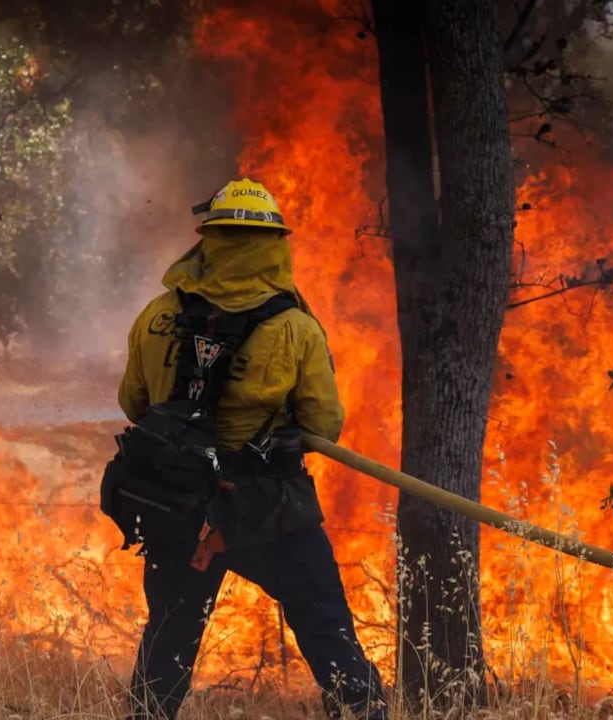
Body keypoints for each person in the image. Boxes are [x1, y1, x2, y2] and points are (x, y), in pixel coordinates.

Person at [110, 179, 389, 720]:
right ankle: (362, 713)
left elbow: (133, 402)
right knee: (323, 619)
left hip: (175, 503)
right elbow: (323, 424)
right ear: (273, 244)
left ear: (208, 242)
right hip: (260, 507)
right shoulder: (293, 329)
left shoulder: (155, 316)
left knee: (170, 632)